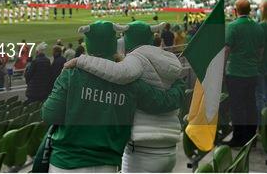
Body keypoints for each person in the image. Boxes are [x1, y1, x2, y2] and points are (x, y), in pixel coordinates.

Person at [42, 21, 185, 172]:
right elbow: (162, 102)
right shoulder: (130, 81)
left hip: (65, 162)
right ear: (113, 44)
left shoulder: (70, 75)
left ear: (88, 44)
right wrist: (179, 84)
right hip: (107, 164)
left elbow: (49, 115)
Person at [224, 0, 264, 147]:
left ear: (236, 10)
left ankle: (239, 138)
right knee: (251, 105)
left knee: (237, 107)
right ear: (250, 11)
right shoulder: (258, 27)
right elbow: (261, 51)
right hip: (252, 73)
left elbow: (227, 50)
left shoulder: (233, 26)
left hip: (236, 73)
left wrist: (221, 71)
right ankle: (251, 137)